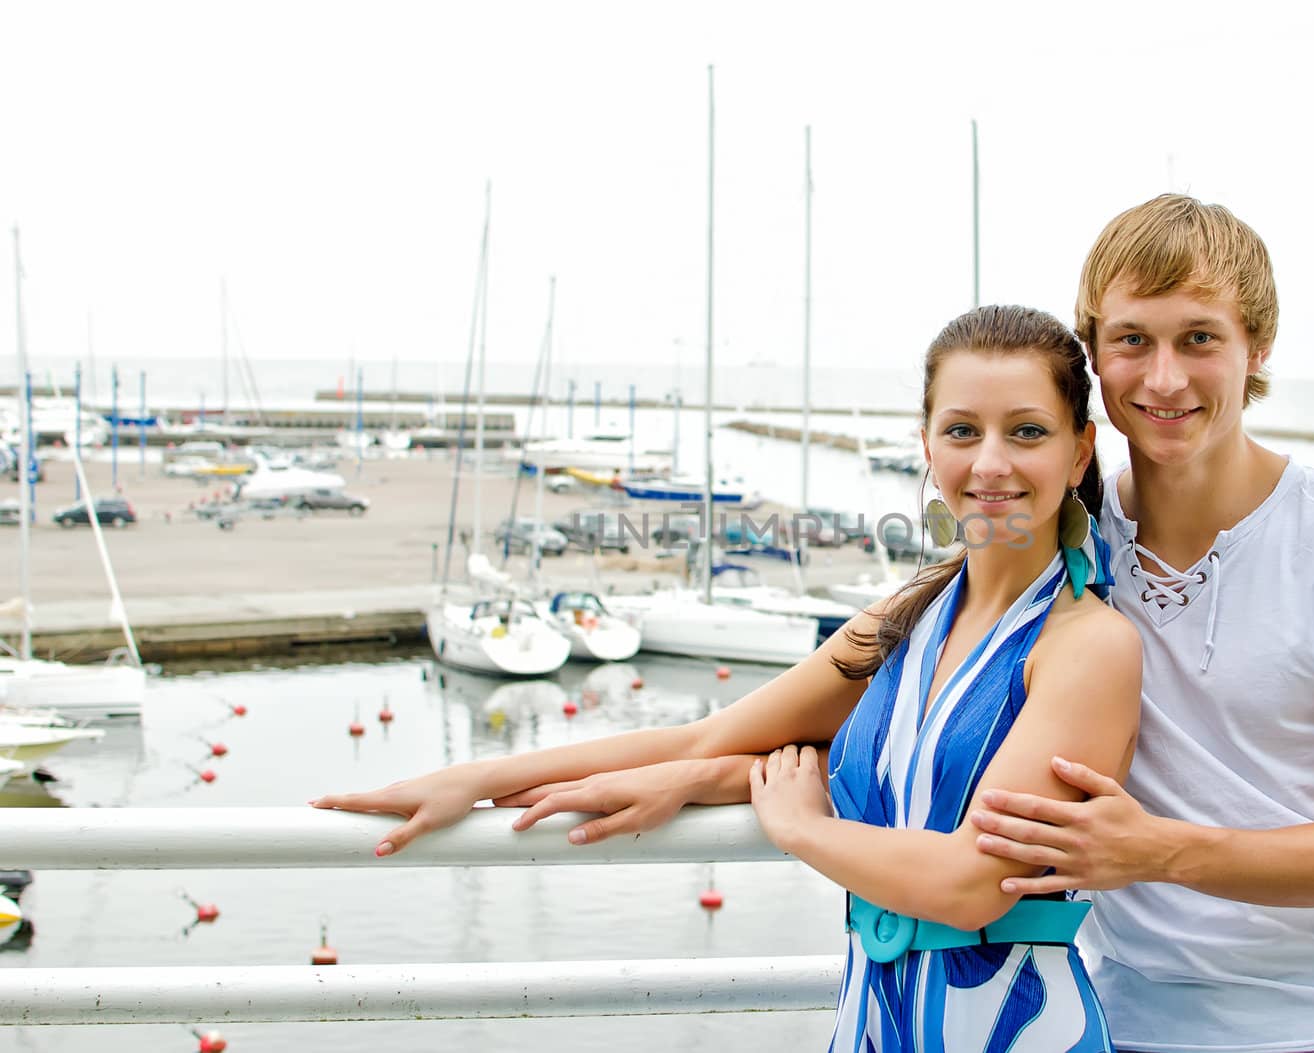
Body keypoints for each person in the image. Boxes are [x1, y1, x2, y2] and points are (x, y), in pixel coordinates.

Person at [314, 305, 1143, 1051]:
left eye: (1027, 431)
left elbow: (970, 885)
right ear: (926, 446)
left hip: (1019, 1030)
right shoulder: (909, 617)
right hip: (869, 1026)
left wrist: (801, 827)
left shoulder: (1085, 644)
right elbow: (711, 733)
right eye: (963, 430)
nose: (990, 461)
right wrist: (480, 776)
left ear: (1079, 452)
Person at [966, 195, 1314, 1053]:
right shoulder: (1062, 534)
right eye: (1132, 340)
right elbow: (885, 669)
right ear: (1093, 354)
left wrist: (1155, 851)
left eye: (1198, 338)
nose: (1162, 378)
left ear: (1255, 347)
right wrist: (695, 766)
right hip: (1127, 1025)